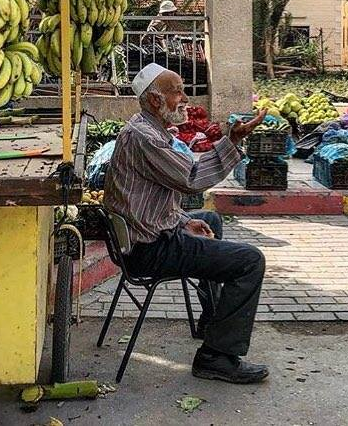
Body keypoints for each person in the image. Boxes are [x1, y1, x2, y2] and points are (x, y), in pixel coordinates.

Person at [103, 62, 269, 384]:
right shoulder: (145, 138)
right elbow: (192, 178)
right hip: (148, 250)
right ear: (155, 100)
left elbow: (147, 202)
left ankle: (213, 322)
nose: (184, 97)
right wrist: (231, 142)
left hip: (145, 236)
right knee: (250, 261)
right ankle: (216, 356)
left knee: (209, 220)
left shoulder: (146, 128)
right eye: (177, 91)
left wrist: (181, 222)